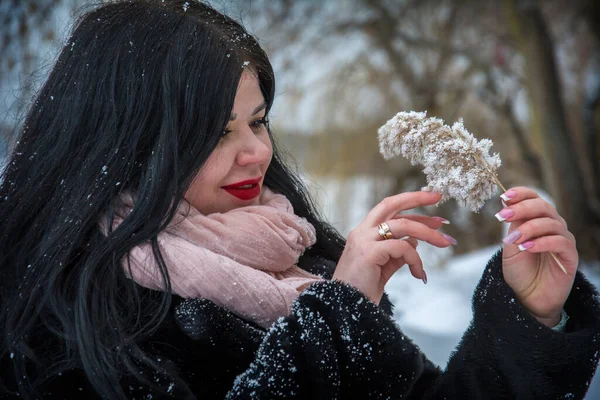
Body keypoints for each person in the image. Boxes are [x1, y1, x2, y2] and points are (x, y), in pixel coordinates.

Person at [0, 0, 599, 398]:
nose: (254, 154)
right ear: (126, 141)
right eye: (212, 132)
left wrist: (530, 317)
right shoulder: (63, 323)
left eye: (256, 123)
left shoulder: (298, 268)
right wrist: (339, 315)